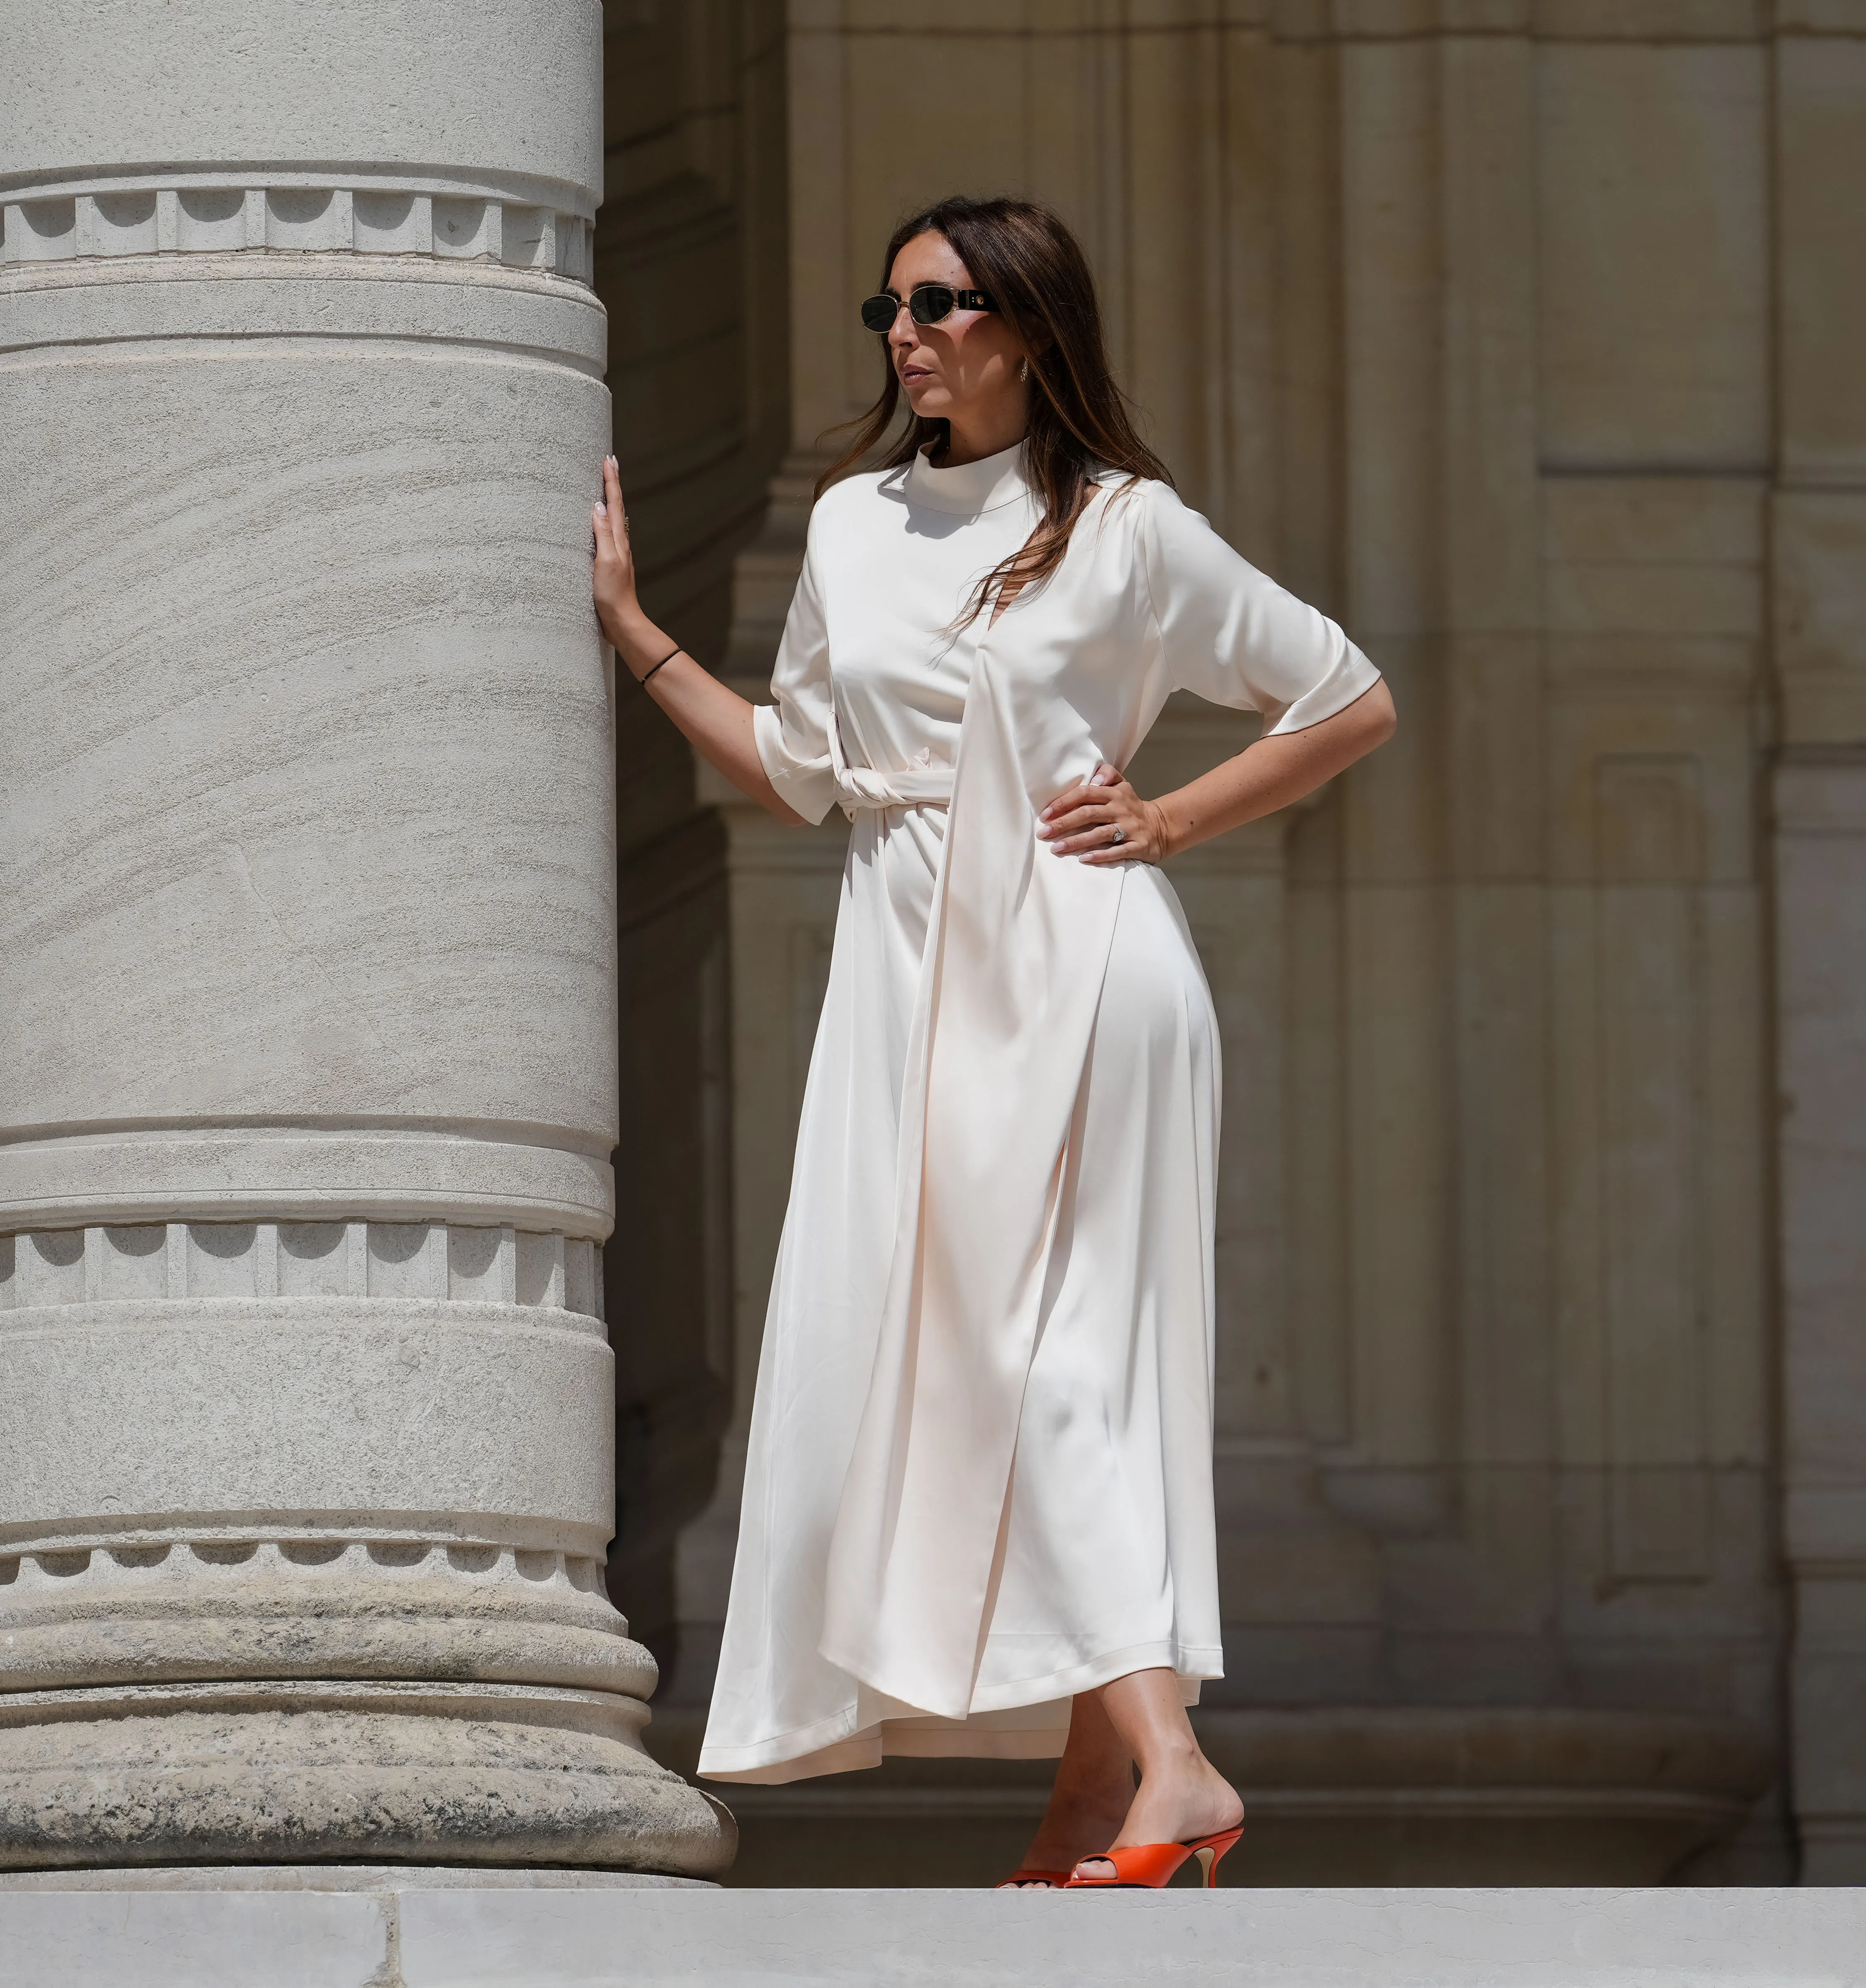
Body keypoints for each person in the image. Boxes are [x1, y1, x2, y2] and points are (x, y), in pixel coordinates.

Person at [589, 195, 1395, 1888]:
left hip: (1078, 962)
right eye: (886, 306)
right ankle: (1092, 1803)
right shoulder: (852, 531)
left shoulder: (1125, 529)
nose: (906, 333)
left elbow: (1345, 697)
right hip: (902, 966)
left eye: (941, 304)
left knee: (1044, 1364)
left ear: (1025, 325)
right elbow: (799, 767)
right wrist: (638, 636)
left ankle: (1168, 1764)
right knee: (1012, 1362)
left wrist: (1167, 818)